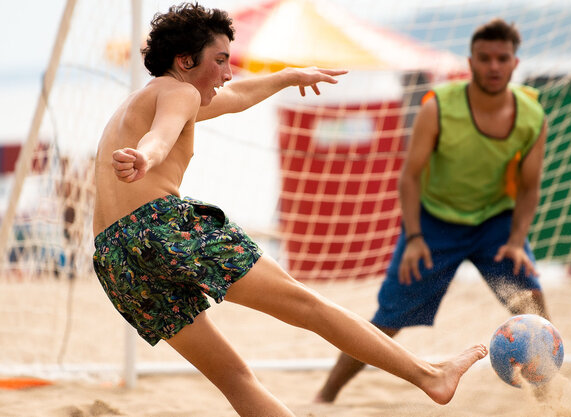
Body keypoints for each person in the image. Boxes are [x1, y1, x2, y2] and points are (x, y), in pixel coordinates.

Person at [91, 3, 486, 416]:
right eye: (221, 60)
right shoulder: (181, 91)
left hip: (118, 260)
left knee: (234, 378)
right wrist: (147, 158)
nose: (228, 72)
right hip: (161, 228)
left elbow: (235, 96)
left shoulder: (140, 102)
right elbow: (161, 136)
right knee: (308, 307)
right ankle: (430, 376)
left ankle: (428, 376)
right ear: (185, 61)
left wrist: (287, 77)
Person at [315, 17, 550, 403]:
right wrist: (415, 238)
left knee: (534, 308)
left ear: (515, 64)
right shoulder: (438, 106)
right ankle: (325, 396)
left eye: (502, 58)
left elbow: (529, 186)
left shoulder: (531, 115)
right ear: (470, 61)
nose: (493, 66)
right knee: (387, 321)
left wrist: (517, 240)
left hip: (495, 223)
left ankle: (553, 396)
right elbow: (410, 178)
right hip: (434, 224)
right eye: (485, 58)